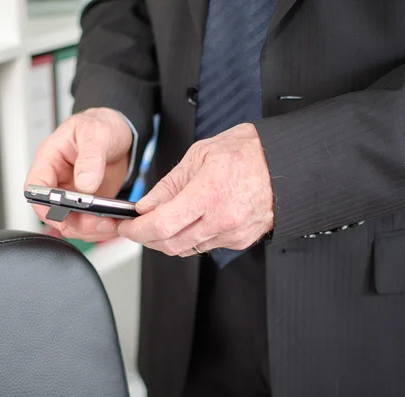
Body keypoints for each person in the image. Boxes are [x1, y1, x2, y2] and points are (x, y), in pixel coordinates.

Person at [25, 1, 405, 396]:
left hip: (368, 308)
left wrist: (285, 166)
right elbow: (123, 9)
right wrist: (112, 109)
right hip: (182, 300)